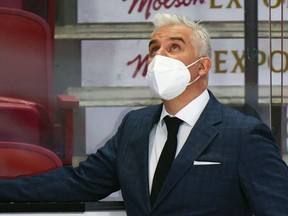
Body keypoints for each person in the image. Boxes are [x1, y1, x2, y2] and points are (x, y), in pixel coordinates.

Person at [1, 13, 288, 216]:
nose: (159, 57)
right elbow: (78, 183)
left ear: (202, 67)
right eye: (154, 49)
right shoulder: (135, 126)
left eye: (174, 47)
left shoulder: (244, 134)